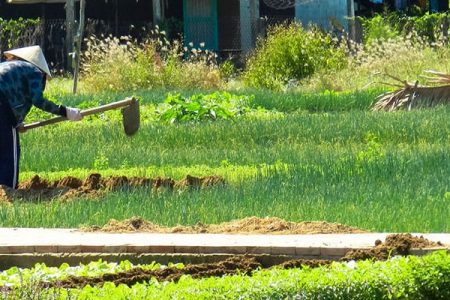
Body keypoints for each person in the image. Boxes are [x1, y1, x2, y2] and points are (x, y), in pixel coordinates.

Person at [0, 45, 83, 189]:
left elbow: (16, 97)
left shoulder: (7, 67)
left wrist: (16, 122)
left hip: (4, 106)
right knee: (9, 154)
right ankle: (8, 190)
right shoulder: (33, 71)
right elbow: (37, 100)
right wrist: (64, 111)